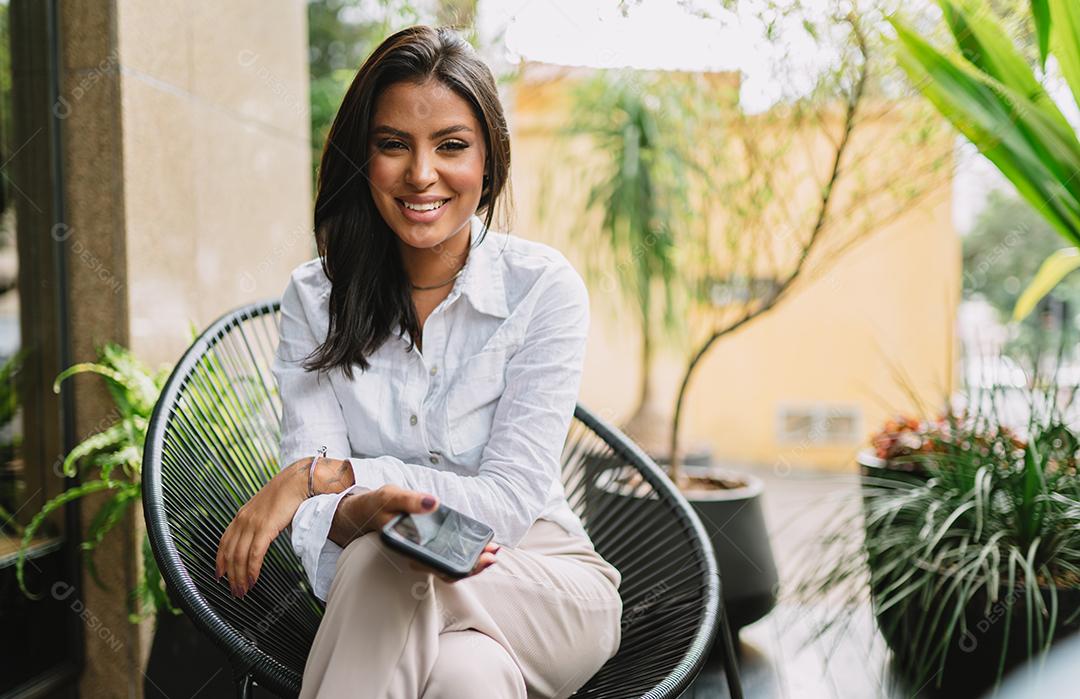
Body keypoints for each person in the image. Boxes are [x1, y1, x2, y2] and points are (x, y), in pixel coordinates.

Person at [214, 24, 623, 699]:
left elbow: (507, 505)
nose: (422, 173)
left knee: (386, 555)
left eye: (451, 145)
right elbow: (317, 527)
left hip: (542, 582)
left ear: (489, 161)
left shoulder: (542, 288)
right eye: (393, 144)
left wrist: (331, 477)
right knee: (467, 676)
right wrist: (365, 508)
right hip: (401, 596)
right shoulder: (315, 299)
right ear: (363, 157)